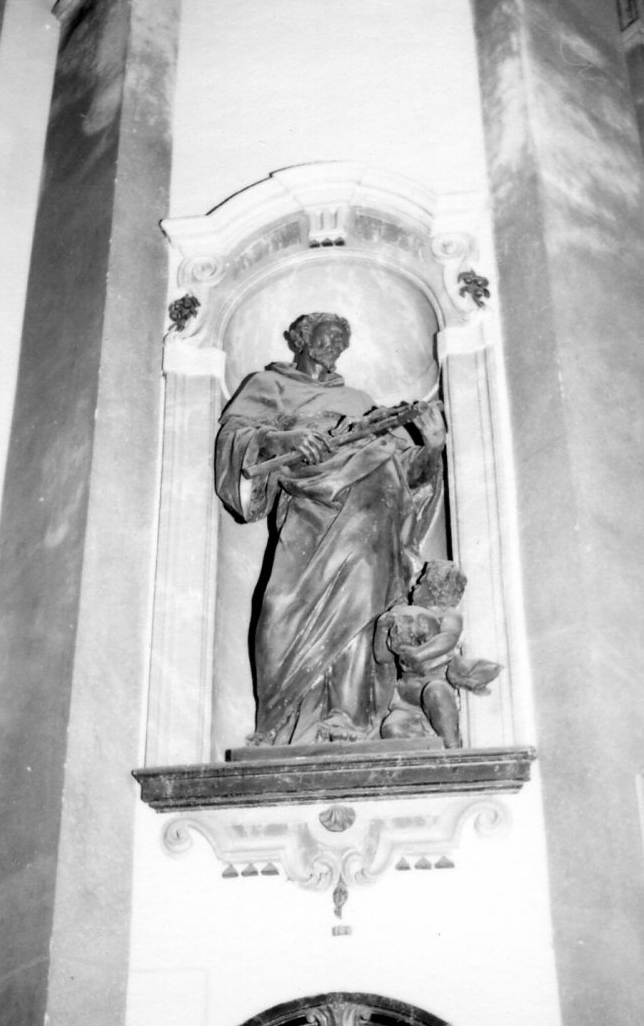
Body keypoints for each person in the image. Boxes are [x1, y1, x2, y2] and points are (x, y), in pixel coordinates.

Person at [215, 312, 445, 745]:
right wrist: (282, 440)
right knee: (280, 607)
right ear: (300, 339)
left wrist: (430, 449)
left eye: (343, 339)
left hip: (366, 509)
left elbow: (401, 467)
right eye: (327, 335)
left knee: (361, 592)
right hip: (306, 508)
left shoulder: (359, 400)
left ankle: (346, 713)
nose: (335, 345)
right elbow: (234, 438)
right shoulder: (269, 387)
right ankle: (279, 726)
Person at [375, 560, 501, 748]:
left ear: (435, 589)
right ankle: (427, 757)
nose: (414, 586)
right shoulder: (400, 614)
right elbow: (382, 657)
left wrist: (419, 654)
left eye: (421, 582)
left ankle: (454, 752)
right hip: (405, 699)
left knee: (436, 694)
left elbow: (448, 637)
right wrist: (382, 628)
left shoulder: (447, 615)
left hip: (434, 684)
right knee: (392, 730)